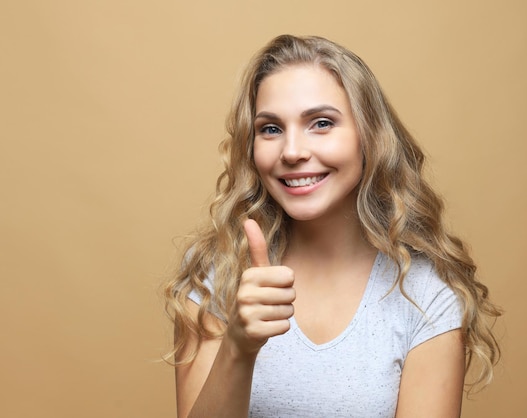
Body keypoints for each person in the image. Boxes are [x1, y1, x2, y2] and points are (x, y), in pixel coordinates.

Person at [164, 34, 501, 418]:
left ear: (368, 137)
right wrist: (237, 348)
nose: (292, 151)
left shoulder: (425, 294)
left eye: (321, 123)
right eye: (271, 129)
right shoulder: (216, 273)